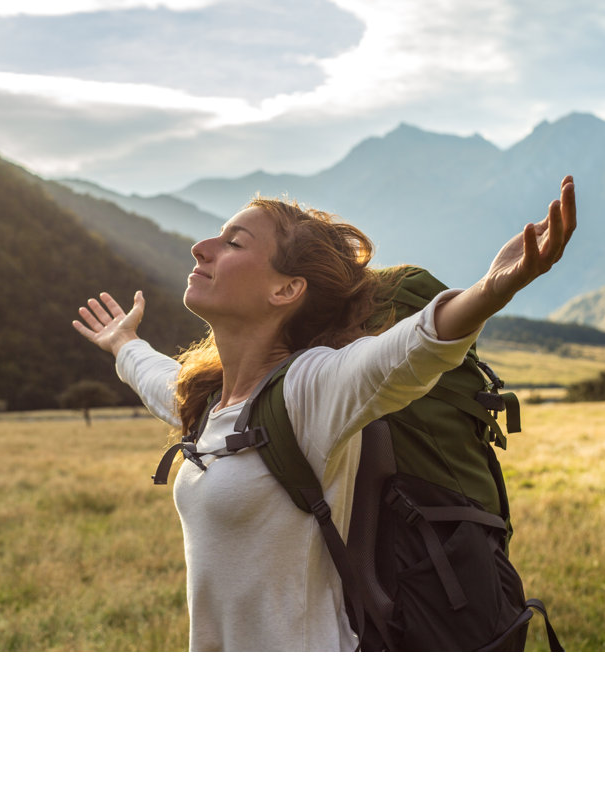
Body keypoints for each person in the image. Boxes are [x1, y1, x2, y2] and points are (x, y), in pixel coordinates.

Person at [72, 176, 577, 651]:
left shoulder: (309, 389)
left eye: (234, 243)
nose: (200, 247)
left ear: (286, 290)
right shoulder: (207, 402)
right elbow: (160, 381)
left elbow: (407, 351)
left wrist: (490, 291)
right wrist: (123, 343)